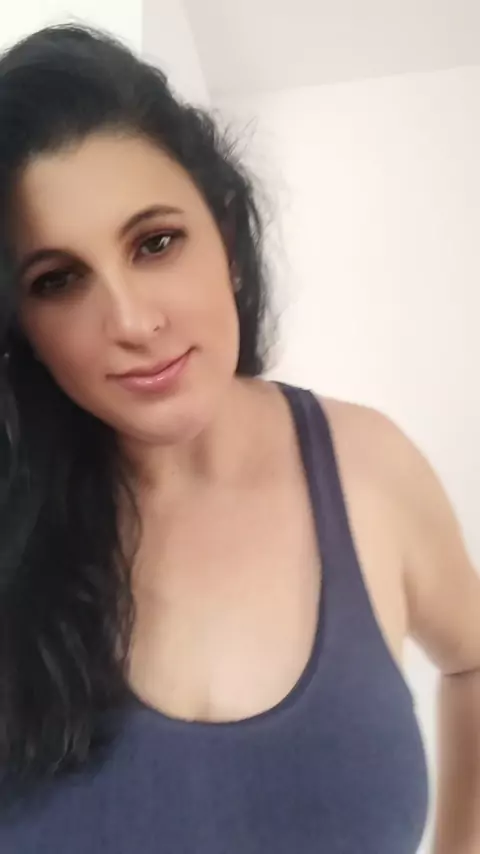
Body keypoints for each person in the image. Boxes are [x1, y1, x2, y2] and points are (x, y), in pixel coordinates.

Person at [0, 23, 478, 854]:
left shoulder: (368, 467)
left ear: (225, 235)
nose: (132, 321)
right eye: (59, 280)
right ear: (23, 328)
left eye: (155, 243)